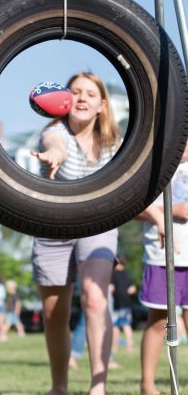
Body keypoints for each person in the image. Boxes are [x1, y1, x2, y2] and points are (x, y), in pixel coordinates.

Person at [31, 72, 121, 395]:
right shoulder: (54, 132)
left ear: (101, 105)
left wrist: (155, 215)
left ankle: (98, 386)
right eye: (75, 92)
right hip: (53, 225)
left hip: (97, 225)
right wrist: (55, 155)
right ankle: (59, 386)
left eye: (90, 94)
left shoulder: (115, 144)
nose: (82, 98)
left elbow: (127, 190)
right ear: (65, 100)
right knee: (55, 314)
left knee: (95, 299)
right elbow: (54, 146)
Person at [138, 140, 188, 395]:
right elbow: (134, 209)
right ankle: (147, 384)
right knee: (159, 320)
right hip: (162, 255)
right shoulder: (154, 170)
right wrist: (172, 210)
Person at [109, 254, 136, 356]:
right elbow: (132, 289)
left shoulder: (113, 273)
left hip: (117, 303)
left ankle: (114, 348)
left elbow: (111, 288)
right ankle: (129, 347)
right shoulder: (127, 274)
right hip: (127, 303)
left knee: (115, 326)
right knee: (126, 325)